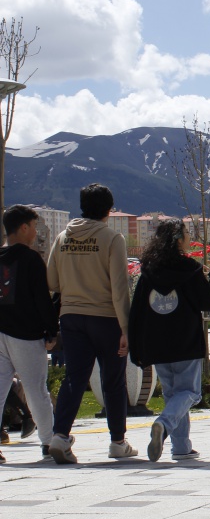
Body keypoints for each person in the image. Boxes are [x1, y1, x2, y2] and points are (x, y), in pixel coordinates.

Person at [47, 184, 136, 464]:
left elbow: (52, 281)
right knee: (113, 380)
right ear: (109, 210)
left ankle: (60, 435)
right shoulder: (112, 239)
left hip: (71, 316)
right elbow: (120, 287)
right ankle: (117, 442)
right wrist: (126, 328)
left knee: (74, 377)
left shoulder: (63, 237)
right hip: (106, 318)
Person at [128, 218, 210, 462]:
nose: (189, 238)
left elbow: (137, 309)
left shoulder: (148, 271)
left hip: (157, 343)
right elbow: (209, 303)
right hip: (185, 340)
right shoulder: (189, 269)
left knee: (173, 395)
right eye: (187, 234)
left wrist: (136, 345)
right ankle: (164, 423)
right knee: (190, 392)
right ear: (178, 240)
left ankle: (181, 447)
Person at [0, 205, 58, 464]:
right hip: (25, 334)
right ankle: (48, 442)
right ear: (23, 228)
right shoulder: (31, 259)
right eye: (34, 227)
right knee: (36, 390)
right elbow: (41, 300)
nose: (35, 232)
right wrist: (51, 330)